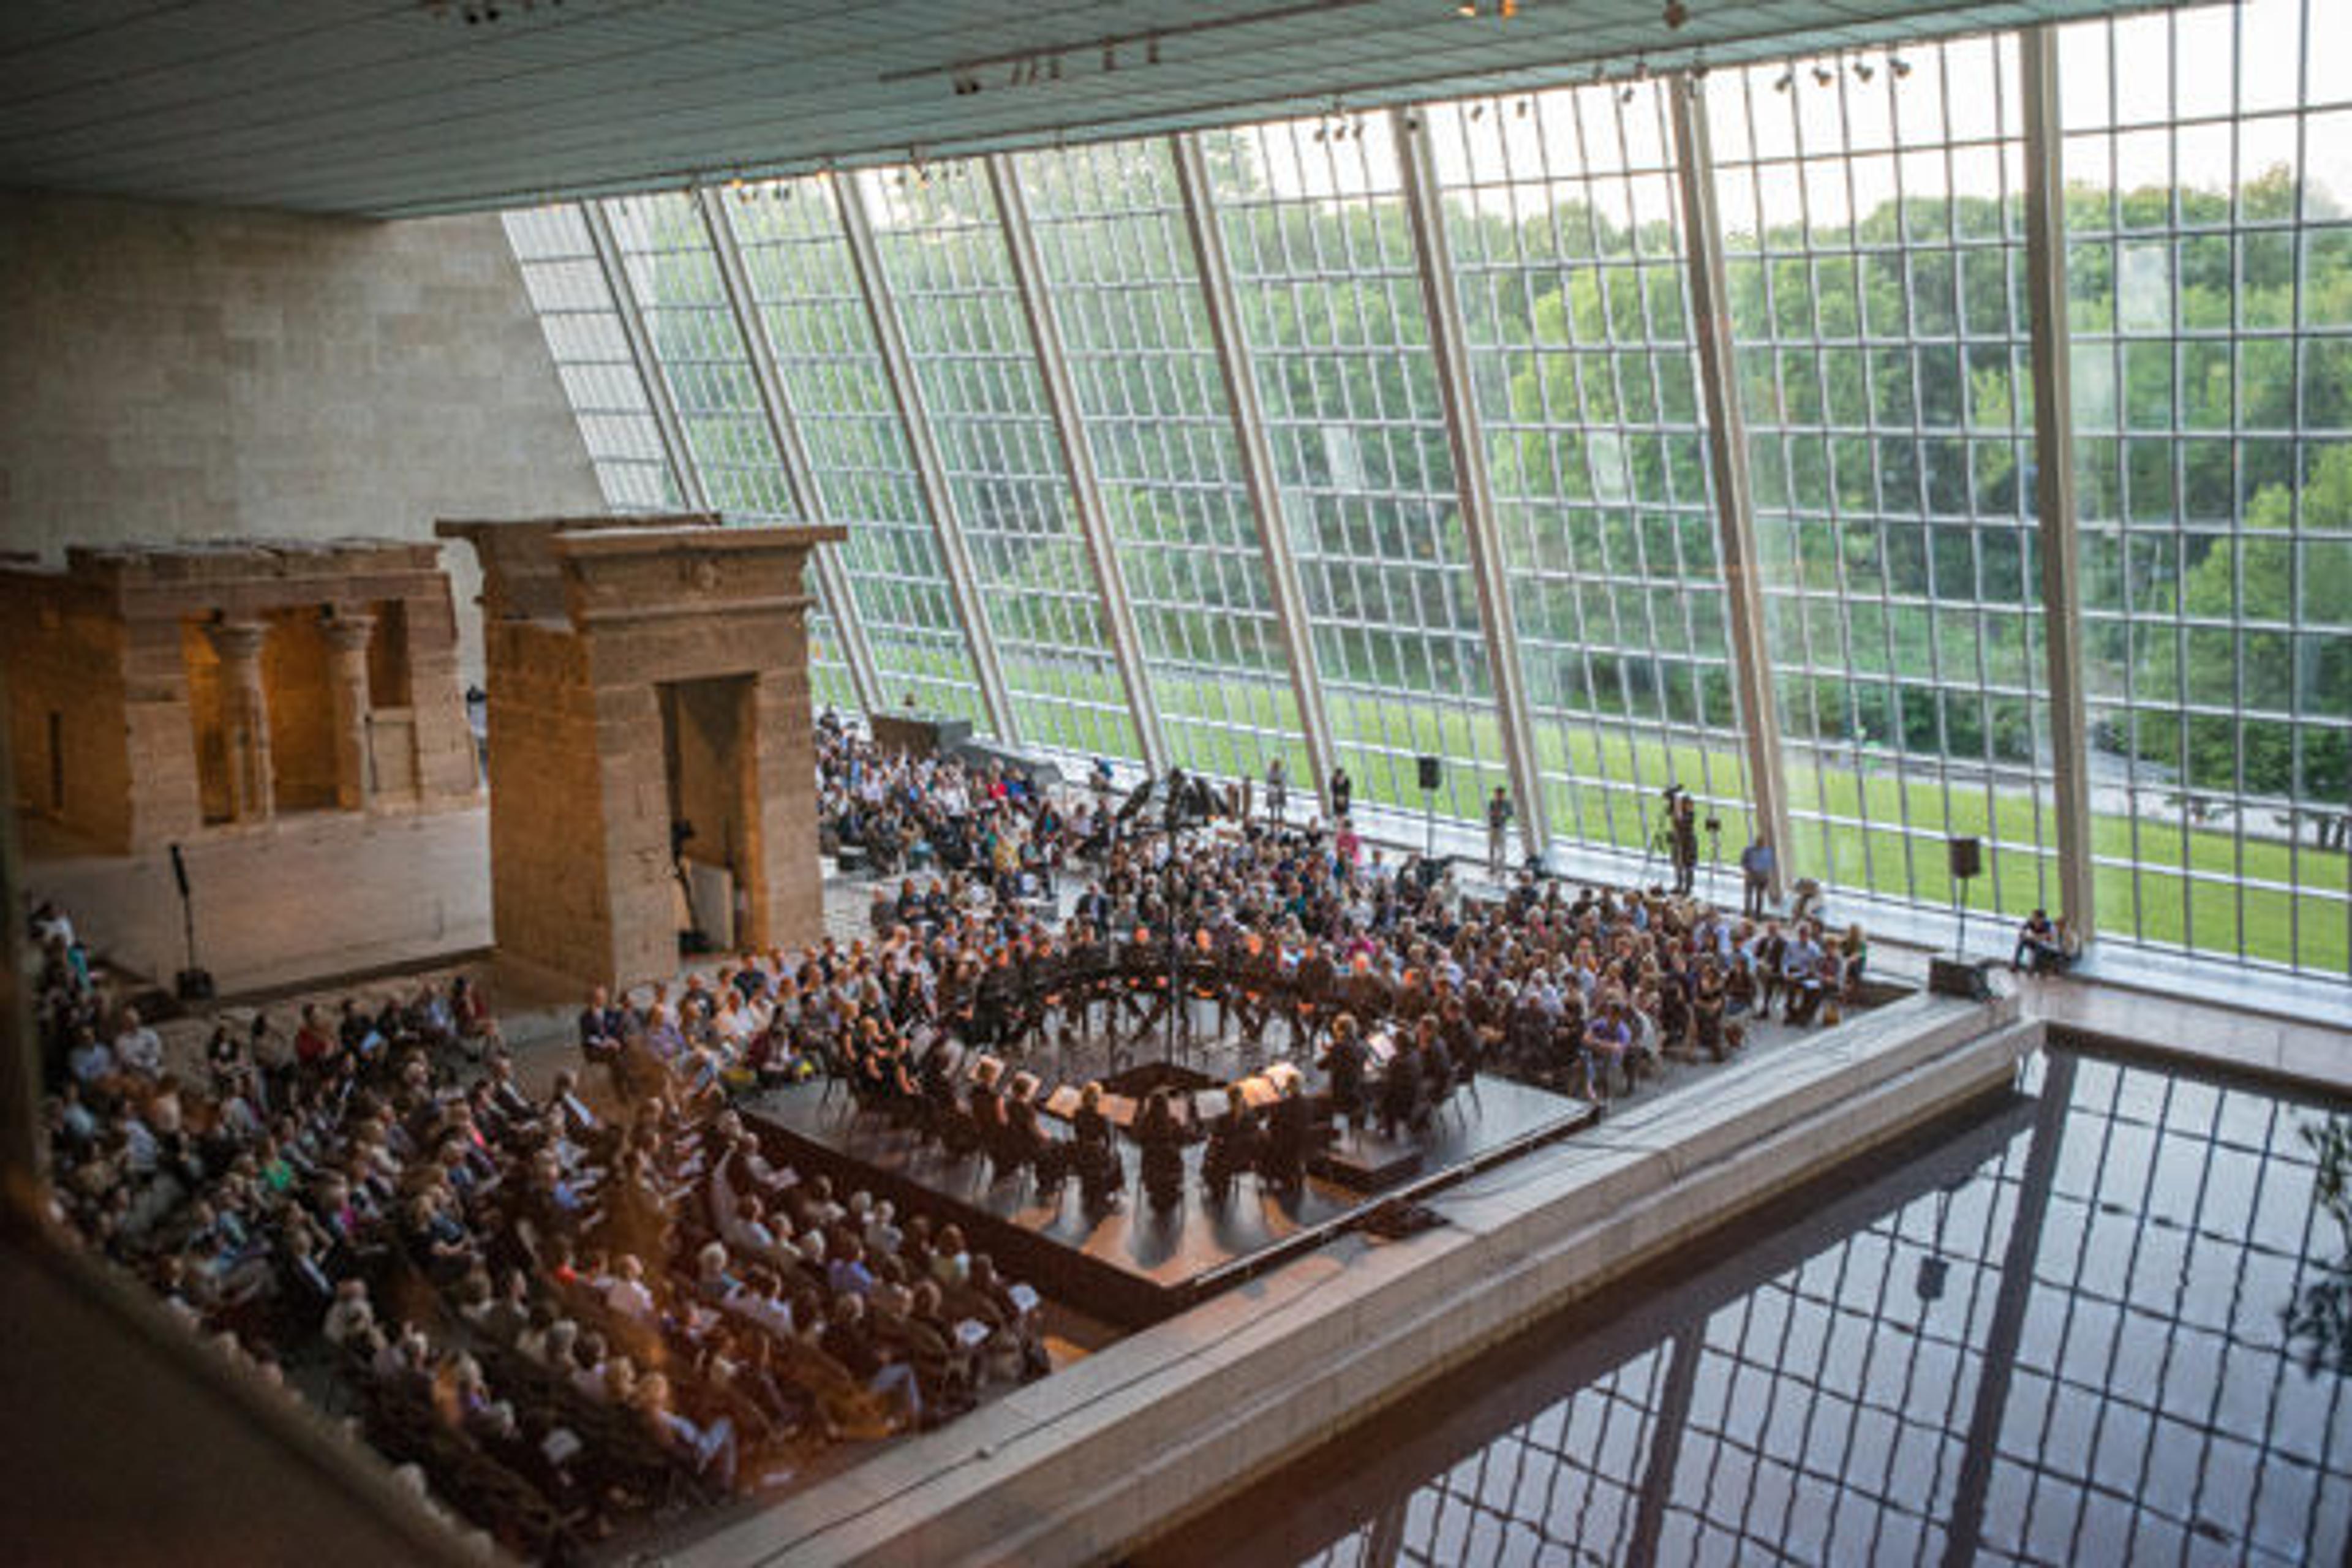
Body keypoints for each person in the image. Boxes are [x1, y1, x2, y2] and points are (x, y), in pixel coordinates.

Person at [2013, 908, 2068, 974]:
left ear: (2041, 919)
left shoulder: (2048, 925)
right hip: (2036, 942)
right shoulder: (2031, 922)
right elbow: (2022, 931)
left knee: (2039, 946)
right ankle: (2015, 963)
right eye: (2033, 917)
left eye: (2035, 917)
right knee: (2022, 942)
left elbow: (2048, 937)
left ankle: (2033, 967)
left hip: (2046, 946)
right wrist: (2024, 934)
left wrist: (2035, 937)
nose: (2033, 919)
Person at [1740, 834, 1776, 920]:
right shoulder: (1748, 850)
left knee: (1760, 897)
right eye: (1760, 842)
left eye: (1763, 843)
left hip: (1762, 877)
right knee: (1748, 895)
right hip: (1751, 875)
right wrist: (1748, 871)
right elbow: (1743, 862)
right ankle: (1747, 912)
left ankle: (1758, 914)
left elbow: (1769, 865)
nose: (1761, 844)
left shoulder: (1768, 852)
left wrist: (1767, 877)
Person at [1670, 792, 1700, 897]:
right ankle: (1679, 885)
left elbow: (1680, 823)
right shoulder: (1682, 813)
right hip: (1679, 841)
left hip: (1688, 843)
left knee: (1688, 866)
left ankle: (1688, 887)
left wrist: (1677, 809)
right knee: (1678, 865)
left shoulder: (1690, 815)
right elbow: (1675, 822)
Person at [1487, 786, 1515, 878]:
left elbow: (1511, 813)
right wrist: (1492, 814)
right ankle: (1492, 868)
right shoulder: (1492, 803)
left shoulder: (1506, 804)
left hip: (1501, 828)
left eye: (1500, 795)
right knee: (1492, 849)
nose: (1498, 796)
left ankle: (1502, 870)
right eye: (1497, 794)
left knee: (1502, 850)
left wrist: (1503, 814)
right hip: (1492, 827)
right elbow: (1489, 813)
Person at [1266, 756, 1289, 824]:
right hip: (1273, 792)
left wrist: (1276, 783)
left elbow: (1283, 782)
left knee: (1280, 809)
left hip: (1280, 792)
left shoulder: (1282, 772)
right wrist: (1277, 783)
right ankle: (1273, 822)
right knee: (1273, 809)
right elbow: (1269, 781)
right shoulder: (1270, 772)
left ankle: (1280, 821)